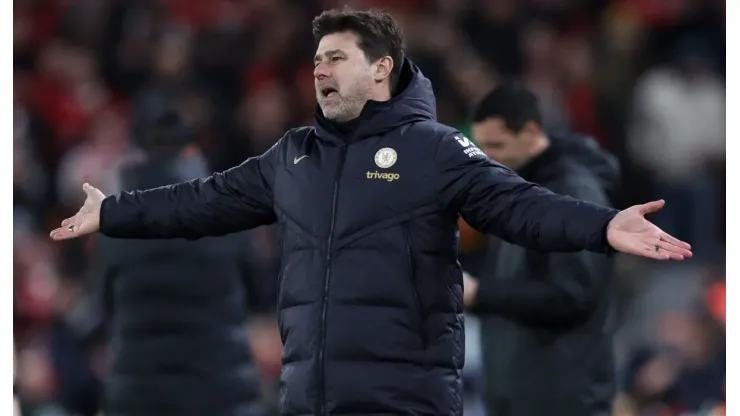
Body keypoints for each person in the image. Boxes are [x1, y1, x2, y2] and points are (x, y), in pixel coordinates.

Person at [51, 8, 691, 416]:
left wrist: (603, 226)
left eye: (336, 57)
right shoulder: (293, 156)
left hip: (403, 400)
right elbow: (201, 201)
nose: (318, 70)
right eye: (315, 60)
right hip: (309, 400)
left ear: (382, 68)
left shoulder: (435, 150)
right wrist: (115, 213)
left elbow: (521, 207)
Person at [93, 110, 272, 416]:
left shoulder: (114, 221)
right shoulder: (228, 211)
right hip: (220, 393)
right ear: (191, 151)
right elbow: (259, 294)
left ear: (144, 154)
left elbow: (106, 303)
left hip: (140, 396)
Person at [462, 83, 620, 415]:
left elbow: (572, 295)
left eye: (497, 145)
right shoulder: (515, 188)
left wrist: (480, 294)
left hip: (561, 397)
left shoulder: (572, 192)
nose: (487, 157)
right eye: (482, 147)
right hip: (524, 391)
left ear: (531, 132)